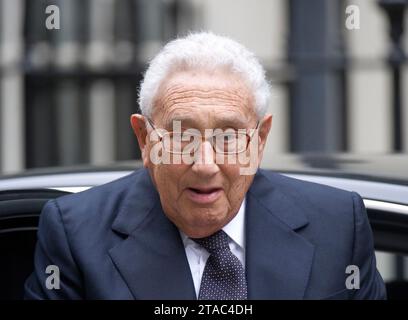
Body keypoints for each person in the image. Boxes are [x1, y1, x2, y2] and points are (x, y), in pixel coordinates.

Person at [24, 32, 386, 300]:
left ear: (259, 140)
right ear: (145, 139)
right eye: (181, 136)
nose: (205, 164)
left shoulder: (337, 226)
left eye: (228, 137)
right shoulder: (76, 235)